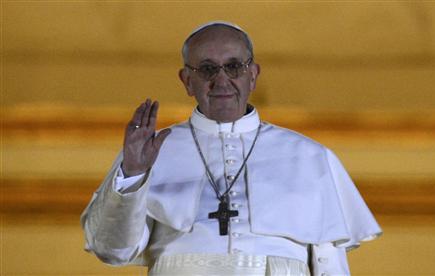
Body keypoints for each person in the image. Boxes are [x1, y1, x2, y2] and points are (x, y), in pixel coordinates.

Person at [81, 21, 382, 276]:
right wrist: (133, 174)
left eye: (234, 67)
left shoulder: (310, 157)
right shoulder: (149, 152)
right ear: (187, 80)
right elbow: (113, 251)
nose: (221, 80)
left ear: (253, 75)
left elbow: (330, 263)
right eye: (207, 69)